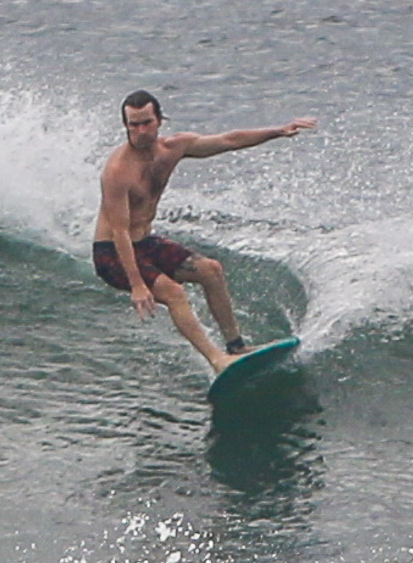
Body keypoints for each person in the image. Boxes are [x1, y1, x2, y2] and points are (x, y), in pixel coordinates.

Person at [92, 90, 316, 373]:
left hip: (144, 242)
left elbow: (229, 140)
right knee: (174, 293)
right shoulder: (118, 171)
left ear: (160, 120)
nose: (140, 131)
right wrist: (137, 285)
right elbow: (120, 231)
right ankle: (217, 360)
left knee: (211, 270)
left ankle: (236, 346)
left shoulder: (173, 149)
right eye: (133, 125)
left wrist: (279, 131)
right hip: (112, 251)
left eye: (146, 122)